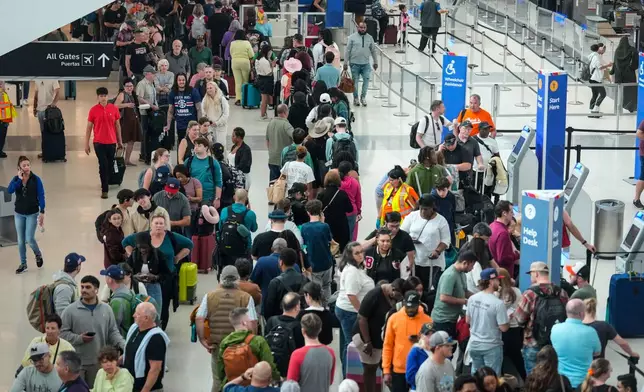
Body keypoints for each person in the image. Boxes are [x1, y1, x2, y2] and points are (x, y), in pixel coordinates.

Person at [123, 213, 193, 329]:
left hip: (166, 278)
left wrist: (177, 258)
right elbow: (125, 242)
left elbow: (189, 244)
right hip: (141, 281)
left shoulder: (171, 236)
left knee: (163, 305)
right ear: (151, 224)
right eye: (156, 223)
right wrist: (133, 255)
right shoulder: (143, 236)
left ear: (165, 225)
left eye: (161, 223)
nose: (159, 226)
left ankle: (160, 328)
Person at [195, 266, 258, 392]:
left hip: (217, 345)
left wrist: (203, 340)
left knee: (218, 380)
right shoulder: (246, 297)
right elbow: (252, 322)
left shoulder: (209, 296)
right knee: (239, 379)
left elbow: (199, 318)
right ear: (238, 279)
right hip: (239, 347)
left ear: (221, 279)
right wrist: (251, 342)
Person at [59, 275, 126, 387]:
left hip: (98, 363)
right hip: (76, 364)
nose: (84, 290)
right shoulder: (70, 311)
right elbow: (62, 333)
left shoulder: (106, 309)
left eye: (88, 287)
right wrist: (79, 338)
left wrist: (124, 345)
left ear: (96, 290)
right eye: (82, 287)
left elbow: (113, 332)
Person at [513, 261, 570, 374]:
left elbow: (519, 319)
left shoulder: (530, 294)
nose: (530, 277)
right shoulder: (561, 292)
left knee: (533, 380)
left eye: (531, 274)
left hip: (533, 343)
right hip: (556, 343)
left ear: (536, 274)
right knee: (553, 377)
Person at [352, 280, 407, 392]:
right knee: (370, 369)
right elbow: (362, 318)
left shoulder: (393, 296)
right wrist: (368, 342)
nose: (400, 299)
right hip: (365, 338)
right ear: (393, 289)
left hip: (380, 339)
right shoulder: (374, 295)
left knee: (383, 367)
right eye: (399, 295)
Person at [335, 242, 375, 377]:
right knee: (350, 344)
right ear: (350, 255)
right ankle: (348, 376)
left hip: (345, 309)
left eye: (361, 252)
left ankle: (345, 373)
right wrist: (361, 313)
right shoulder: (352, 271)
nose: (361, 255)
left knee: (345, 344)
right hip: (349, 312)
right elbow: (351, 295)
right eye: (356, 253)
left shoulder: (354, 268)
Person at [382, 290, 432, 392]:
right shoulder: (394, 319)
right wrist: (386, 371)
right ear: (404, 303)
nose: (410, 310)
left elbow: (432, 346)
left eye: (413, 307)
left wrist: (419, 340)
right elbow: (388, 345)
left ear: (419, 304)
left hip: (420, 370)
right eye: (408, 306)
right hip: (399, 371)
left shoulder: (428, 321)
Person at [216, 307, 280, 386]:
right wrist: (278, 378)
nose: (250, 321)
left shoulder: (224, 343)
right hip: (255, 386)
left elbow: (220, 371)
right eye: (249, 320)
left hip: (234, 386)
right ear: (244, 323)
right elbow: (269, 365)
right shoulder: (258, 341)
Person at [402, 194, 451, 290]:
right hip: (414, 260)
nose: (423, 211)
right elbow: (403, 233)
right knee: (412, 286)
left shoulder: (441, 221)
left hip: (431, 262)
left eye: (426, 209)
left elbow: (446, 240)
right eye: (421, 208)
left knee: (426, 287)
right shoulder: (412, 216)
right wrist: (408, 240)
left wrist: (437, 251)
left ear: (432, 208)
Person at [466, 268, 509, 375]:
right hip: (491, 346)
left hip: (474, 344)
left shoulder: (472, 299)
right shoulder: (498, 303)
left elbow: (467, 320)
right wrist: (508, 319)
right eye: (497, 280)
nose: (499, 282)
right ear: (491, 282)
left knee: (477, 377)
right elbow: (504, 328)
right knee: (492, 379)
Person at [550, 299, 601, 388]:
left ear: (566, 312)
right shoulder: (591, 332)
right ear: (581, 314)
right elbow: (597, 352)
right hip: (584, 381)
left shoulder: (555, 329)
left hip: (561, 382)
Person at [8, 156, 45, 273]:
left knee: (29, 238)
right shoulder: (16, 180)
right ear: (19, 168)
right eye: (24, 165)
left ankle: (37, 254)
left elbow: (41, 195)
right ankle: (23, 263)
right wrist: (19, 179)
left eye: (28, 165)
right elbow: (10, 190)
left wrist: (42, 210)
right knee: (20, 240)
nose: (27, 167)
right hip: (19, 213)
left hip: (32, 213)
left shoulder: (36, 179)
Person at [85, 87, 124, 199]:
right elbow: (88, 128)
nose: (103, 98)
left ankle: (107, 180)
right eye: (101, 96)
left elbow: (117, 126)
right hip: (98, 142)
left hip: (111, 142)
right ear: (98, 97)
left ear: (108, 96)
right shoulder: (93, 110)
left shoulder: (113, 109)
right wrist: (86, 143)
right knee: (103, 164)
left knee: (109, 164)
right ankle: (104, 189)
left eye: (105, 96)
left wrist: (120, 141)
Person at [430, 250, 475, 343]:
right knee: (445, 347)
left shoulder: (462, 274)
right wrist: (464, 301)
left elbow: (465, 291)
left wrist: (478, 297)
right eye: (471, 266)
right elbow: (444, 297)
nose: (472, 269)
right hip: (443, 320)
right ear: (465, 263)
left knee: (451, 346)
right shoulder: (450, 275)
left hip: (453, 318)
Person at [123, 302, 169, 392]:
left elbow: (155, 369)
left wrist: (145, 390)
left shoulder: (156, 338)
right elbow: (129, 353)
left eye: (137, 314)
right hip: (131, 385)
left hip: (147, 389)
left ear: (146, 318)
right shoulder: (135, 329)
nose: (133, 315)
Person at [287, 313, 336, 392]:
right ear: (320, 329)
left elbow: (290, 386)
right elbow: (330, 381)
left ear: (303, 331)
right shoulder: (330, 352)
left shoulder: (297, 355)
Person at [264, 292, 305, 375]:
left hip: (272, 366)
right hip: (290, 368)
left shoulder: (271, 321)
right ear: (297, 307)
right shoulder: (298, 326)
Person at [301, 200, 334, 302]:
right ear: (320, 211)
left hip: (313, 263)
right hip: (327, 261)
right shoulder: (325, 226)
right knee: (327, 285)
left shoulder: (304, 227)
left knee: (316, 289)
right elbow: (330, 240)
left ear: (308, 212)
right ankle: (327, 305)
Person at [496, 267, 526, 379]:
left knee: (500, 360)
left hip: (504, 330)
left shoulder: (498, 294)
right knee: (518, 359)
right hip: (517, 329)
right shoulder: (517, 291)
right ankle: (526, 380)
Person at [264, 248, 307, 320]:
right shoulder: (305, 279)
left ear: (281, 262)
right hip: (300, 321)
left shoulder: (275, 282)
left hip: (280, 322)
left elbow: (269, 308)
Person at [344, 21, 378, 107]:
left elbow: (373, 50)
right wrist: (345, 62)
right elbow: (347, 50)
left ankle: (363, 97)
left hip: (366, 64)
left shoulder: (370, 38)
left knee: (366, 80)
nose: (362, 29)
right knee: (355, 82)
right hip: (354, 64)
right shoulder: (352, 38)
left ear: (366, 28)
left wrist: (375, 62)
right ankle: (356, 98)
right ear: (358, 28)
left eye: (364, 28)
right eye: (361, 27)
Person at [318, 170, 353, 252]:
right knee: (341, 249)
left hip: (326, 224)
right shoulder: (342, 193)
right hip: (341, 225)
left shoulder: (321, 194)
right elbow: (350, 209)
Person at [165, 73, 203, 149]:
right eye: (179, 80)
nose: (181, 82)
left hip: (192, 124)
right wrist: (168, 125)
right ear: (176, 81)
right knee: (182, 146)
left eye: (183, 80)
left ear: (186, 81)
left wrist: (200, 124)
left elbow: (199, 109)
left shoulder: (193, 91)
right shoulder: (173, 93)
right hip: (180, 124)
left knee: (194, 145)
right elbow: (170, 111)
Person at [186, 137, 223, 206]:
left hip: (208, 198)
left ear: (206, 148)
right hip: (192, 197)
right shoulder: (188, 161)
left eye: (199, 145)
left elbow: (219, 182)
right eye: (195, 145)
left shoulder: (213, 163)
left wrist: (217, 199)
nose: (196, 147)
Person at [101, 265, 136, 336]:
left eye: (106, 276)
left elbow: (113, 327)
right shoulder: (129, 292)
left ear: (110, 280)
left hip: (121, 340)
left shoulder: (117, 301)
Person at [488, 200, 520, 278]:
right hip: (503, 275)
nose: (513, 214)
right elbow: (503, 258)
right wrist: (517, 254)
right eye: (511, 212)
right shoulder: (503, 233)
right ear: (504, 213)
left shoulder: (491, 226)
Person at [32, 78, 60, 157]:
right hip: (40, 110)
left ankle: (52, 151)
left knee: (50, 131)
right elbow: (36, 94)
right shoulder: (37, 79)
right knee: (43, 132)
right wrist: (34, 107)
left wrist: (53, 103)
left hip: (49, 111)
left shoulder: (53, 78)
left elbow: (57, 92)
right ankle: (45, 151)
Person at [267, 104, 295, 181]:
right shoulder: (286, 125)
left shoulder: (270, 123)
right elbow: (295, 137)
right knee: (283, 186)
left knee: (273, 184)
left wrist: (271, 152)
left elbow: (267, 140)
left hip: (272, 159)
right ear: (285, 112)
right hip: (284, 161)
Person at [611, 36, 638, 112]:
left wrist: (612, 72)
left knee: (619, 91)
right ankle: (630, 107)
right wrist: (632, 68)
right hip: (629, 75)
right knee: (631, 91)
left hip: (619, 75)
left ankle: (618, 107)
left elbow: (615, 62)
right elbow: (635, 63)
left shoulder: (617, 50)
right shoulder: (632, 50)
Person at [406, 323, 436, 391]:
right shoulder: (415, 351)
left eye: (433, 334)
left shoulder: (439, 350)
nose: (430, 337)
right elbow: (410, 377)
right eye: (427, 334)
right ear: (422, 336)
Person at [230, 30, 255, 105]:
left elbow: (231, 53)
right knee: (245, 81)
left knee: (237, 82)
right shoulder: (246, 43)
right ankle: (245, 98)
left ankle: (238, 99)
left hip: (234, 62)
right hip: (245, 62)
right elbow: (251, 55)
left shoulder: (232, 43)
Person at [202, 80, 230, 145]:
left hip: (221, 127)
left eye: (211, 88)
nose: (209, 90)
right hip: (210, 127)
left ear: (215, 88)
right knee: (211, 146)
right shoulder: (205, 99)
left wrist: (217, 123)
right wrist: (207, 122)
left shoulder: (222, 99)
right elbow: (203, 113)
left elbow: (226, 114)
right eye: (207, 88)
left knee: (221, 146)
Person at [587, 43, 611, 116]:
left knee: (595, 94)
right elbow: (600, 67)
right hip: (595, 79)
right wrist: (609, 65)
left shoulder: (592, 55)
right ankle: (595, 109)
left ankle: (591, 110)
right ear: (598, 48)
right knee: (603, 94)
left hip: (592, 78)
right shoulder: (596, 57)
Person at [256, 43, 276, 120]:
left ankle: (264, 114)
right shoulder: (263, 61)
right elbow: (269, 72)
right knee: (264, 99)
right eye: (270, 51)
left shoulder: (260, 59)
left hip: (262, 79)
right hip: (265, 80)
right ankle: (262, 115)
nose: (271, 53)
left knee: (265, 98)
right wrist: (272, 65)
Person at [0, 80, 17, 157]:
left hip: (4, 119)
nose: (4, 85)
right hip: (2, 120)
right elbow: (2, 106)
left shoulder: (4, 93)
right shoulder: (1, 94)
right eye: (2, 83)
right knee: (1, 136)